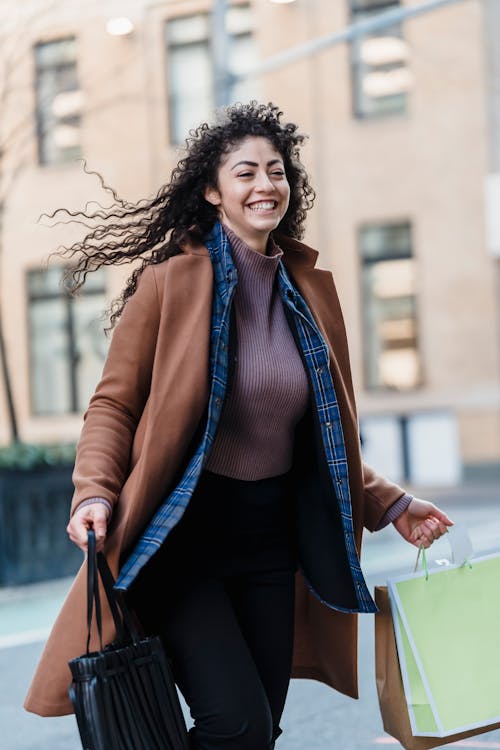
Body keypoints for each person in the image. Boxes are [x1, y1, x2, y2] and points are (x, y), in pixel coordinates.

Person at [24, 101, 453, 749]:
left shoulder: (309, 293)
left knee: (261, 729)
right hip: (184, 538)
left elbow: (321, 438)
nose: (265, 186)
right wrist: (93, 490)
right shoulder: (170, 286)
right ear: (212, 190)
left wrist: (389, 502)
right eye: (246, 172)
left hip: (270, 544)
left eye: (276, 171)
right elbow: (113, 405)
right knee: (239, 723)